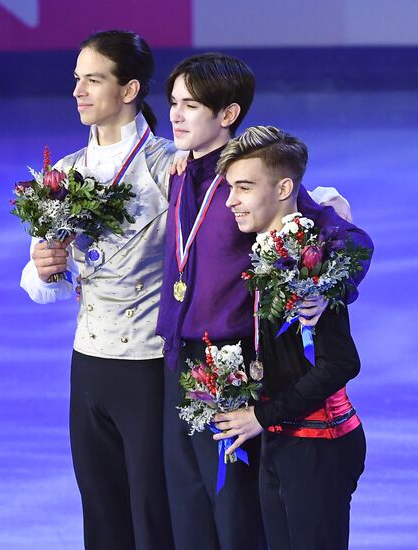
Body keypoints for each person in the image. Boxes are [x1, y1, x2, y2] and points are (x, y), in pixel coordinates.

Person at [156, 53, 350, 550]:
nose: (175, 115)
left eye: (190, 106)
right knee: (188, 504)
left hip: (232, 365)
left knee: (235, 511)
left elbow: (339, 233)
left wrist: (331, 290)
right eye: (173, 103)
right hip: (179, 360)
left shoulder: (256, 183)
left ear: (228, 114)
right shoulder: (181, 172)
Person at [20, 30, 177, 550]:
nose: (78, 92)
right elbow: (48, 283)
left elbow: (255, 190)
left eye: (93, 79)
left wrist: (319, 204)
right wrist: (43, 269)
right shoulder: (63, 174)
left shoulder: (168, 166)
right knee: (102, 510)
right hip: (88, 362)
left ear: (129, 89)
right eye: (76, 80)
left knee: (155, 511)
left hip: (152, 365)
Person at [214, 125, 373, 550]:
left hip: (319, 446)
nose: (231, 200)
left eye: (243, 187)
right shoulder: (268, 250)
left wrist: (262, 416)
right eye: (230, 187)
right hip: (282, 439)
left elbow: (340, 363)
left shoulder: (314, 259)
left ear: (284, 187)